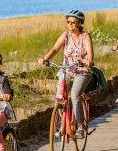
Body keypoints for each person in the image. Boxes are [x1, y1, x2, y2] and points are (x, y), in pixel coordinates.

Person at [37, 9, 94, 138]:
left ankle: (80, 126)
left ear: (79, 23)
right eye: (68, 22)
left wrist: (87, 61)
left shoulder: (86, 36)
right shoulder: (66, 35)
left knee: (74, 95)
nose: (70, 25)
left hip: (82, 70)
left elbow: (90, 54)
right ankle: (65, 123)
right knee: (59, 98)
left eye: (73, 22)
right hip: (67, 69)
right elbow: (55, 49)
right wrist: (45, 59)